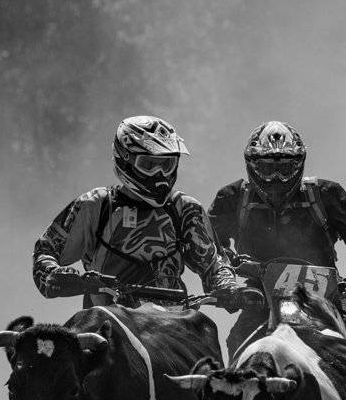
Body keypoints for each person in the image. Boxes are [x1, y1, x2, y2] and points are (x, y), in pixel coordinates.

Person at [209, 121, 346, 351]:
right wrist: (226, 279)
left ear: (299, 165)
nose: (276, 178)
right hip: (260, 292)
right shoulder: (232, 197)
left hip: (325, 291)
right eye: (267, 168)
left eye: (284, 169)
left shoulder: (325, 193)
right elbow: (210, 245)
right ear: (252, 166)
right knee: (238, 343)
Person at [33, 116, 247, 310]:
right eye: (149, 164)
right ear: (124, 159)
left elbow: (214, 264)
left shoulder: (185, 208)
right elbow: (46, 250)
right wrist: (56, 275)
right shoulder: (95, 205)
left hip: (174, 320)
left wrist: (227, 287)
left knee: (207, 334)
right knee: (55, 340)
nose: (159, 174)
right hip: (108, 319)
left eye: (166, 165)